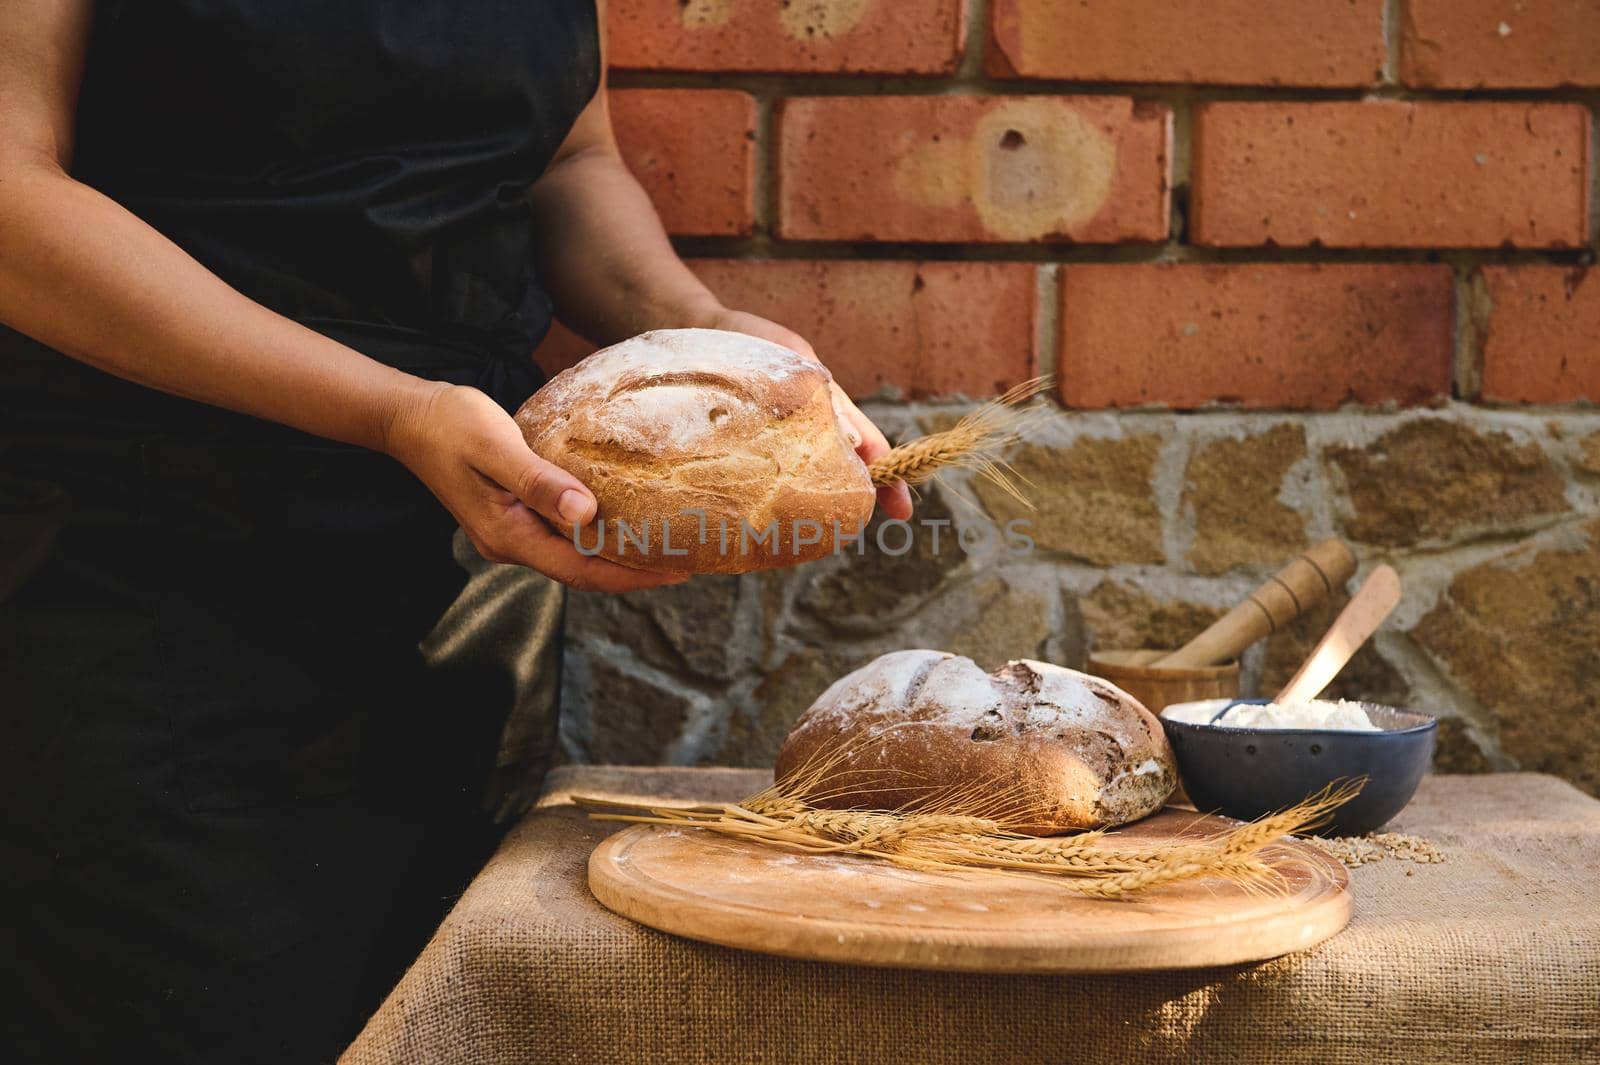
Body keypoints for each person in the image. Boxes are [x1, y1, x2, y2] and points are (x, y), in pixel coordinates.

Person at [0, 2, 913, 1061]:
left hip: (462, 566)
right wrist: (390, 410)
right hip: (143, 556)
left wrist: (693, 323)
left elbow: (569, 163)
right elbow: (15, 197)